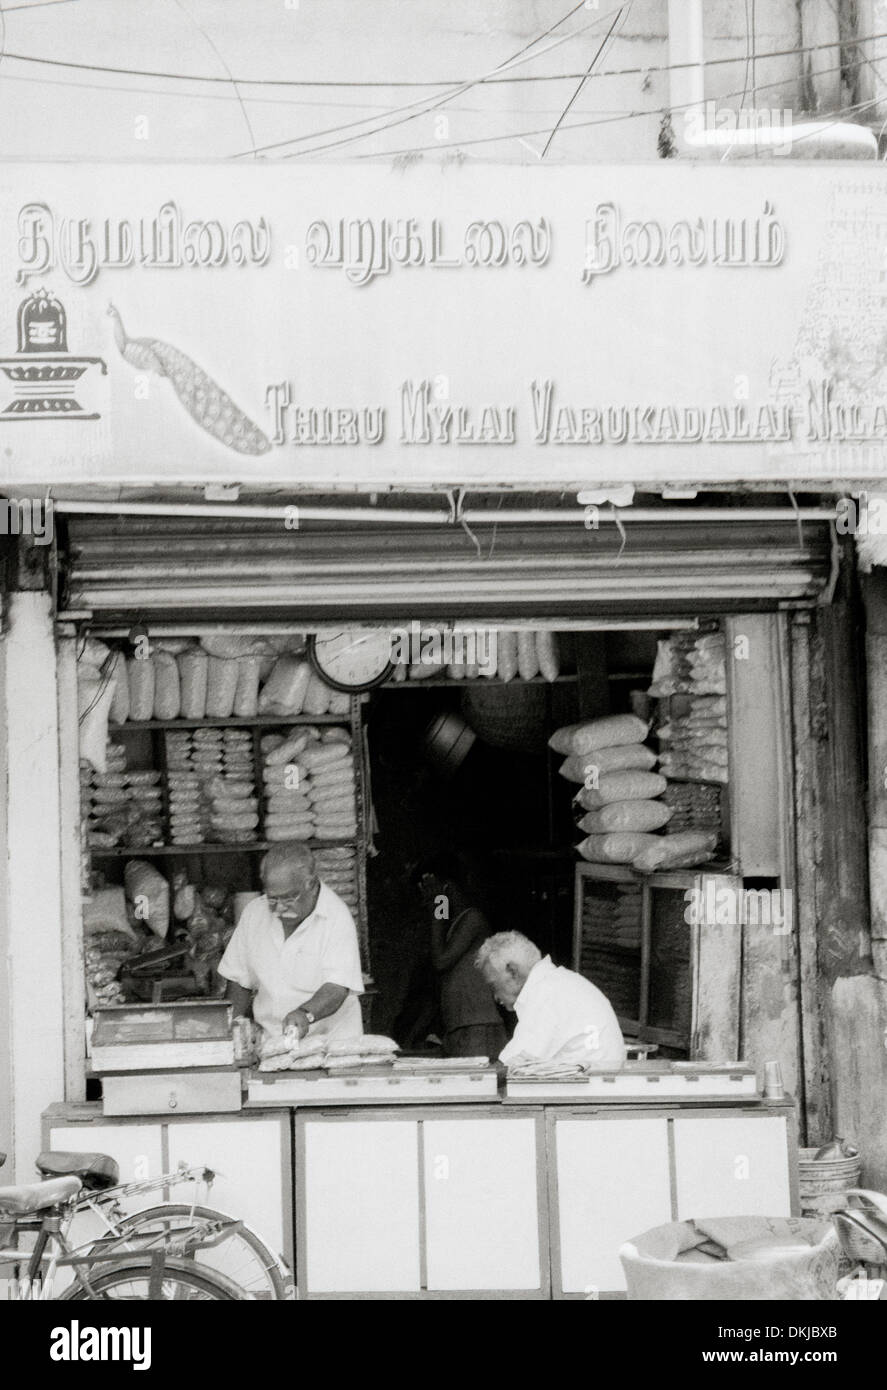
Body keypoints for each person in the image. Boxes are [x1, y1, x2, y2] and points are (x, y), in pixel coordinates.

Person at [219, 842, 364, 1041]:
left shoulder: (336, 917)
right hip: (272, 1043)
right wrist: (229, 1026)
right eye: (272, 898)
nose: (278, 908)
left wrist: (305, 1013)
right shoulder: (254, 913)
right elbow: (239, 979)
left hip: (331, 1045)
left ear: (311, 885)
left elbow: (337, 988)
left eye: (288, 898)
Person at [475, 930, 625, 1068]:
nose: (495, 996)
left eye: (494, 985)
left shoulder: (545, 992)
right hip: (595, 1084)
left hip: (590, 1089)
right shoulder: (556, 982)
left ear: (513, 971)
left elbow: (511, 1065)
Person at [415, 857, 508, 1059]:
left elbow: (441, 961)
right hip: (461, 1027)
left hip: (478, 1027)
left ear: (447, 889)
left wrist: (437, 905)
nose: (426, 898)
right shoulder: (455, 924)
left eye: (431, 891)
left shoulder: (473, 919)